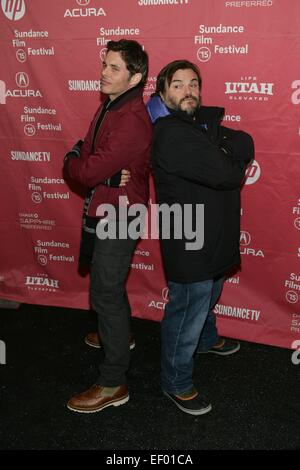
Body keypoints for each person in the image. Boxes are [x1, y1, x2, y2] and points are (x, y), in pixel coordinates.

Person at [147, 60, 254, 416]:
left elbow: (243, 141)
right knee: (189, 305)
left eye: (193, 83)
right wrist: (223, 154)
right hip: (188, 235)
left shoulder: (201, 124)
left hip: (215, 230)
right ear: (162, 93)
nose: (188, 90)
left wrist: (222, 148)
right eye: (177, 85)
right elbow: (225, 173)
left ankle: (205, 341)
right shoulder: (169, 131)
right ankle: (175, 381)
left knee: (212, 288)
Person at [64, 39, 152, 413]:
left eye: (114, 67)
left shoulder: (130, 120)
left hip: (121, 215)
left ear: (135, 77)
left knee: (105, 293)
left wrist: (70, 158)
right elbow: (91, 152)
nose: (104, 72)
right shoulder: (112, 104)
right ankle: (118, 335)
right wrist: (89, 163)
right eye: (105, 64)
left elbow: (84, 169)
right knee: (108, 290)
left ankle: (113, 382)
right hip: (108, 209)